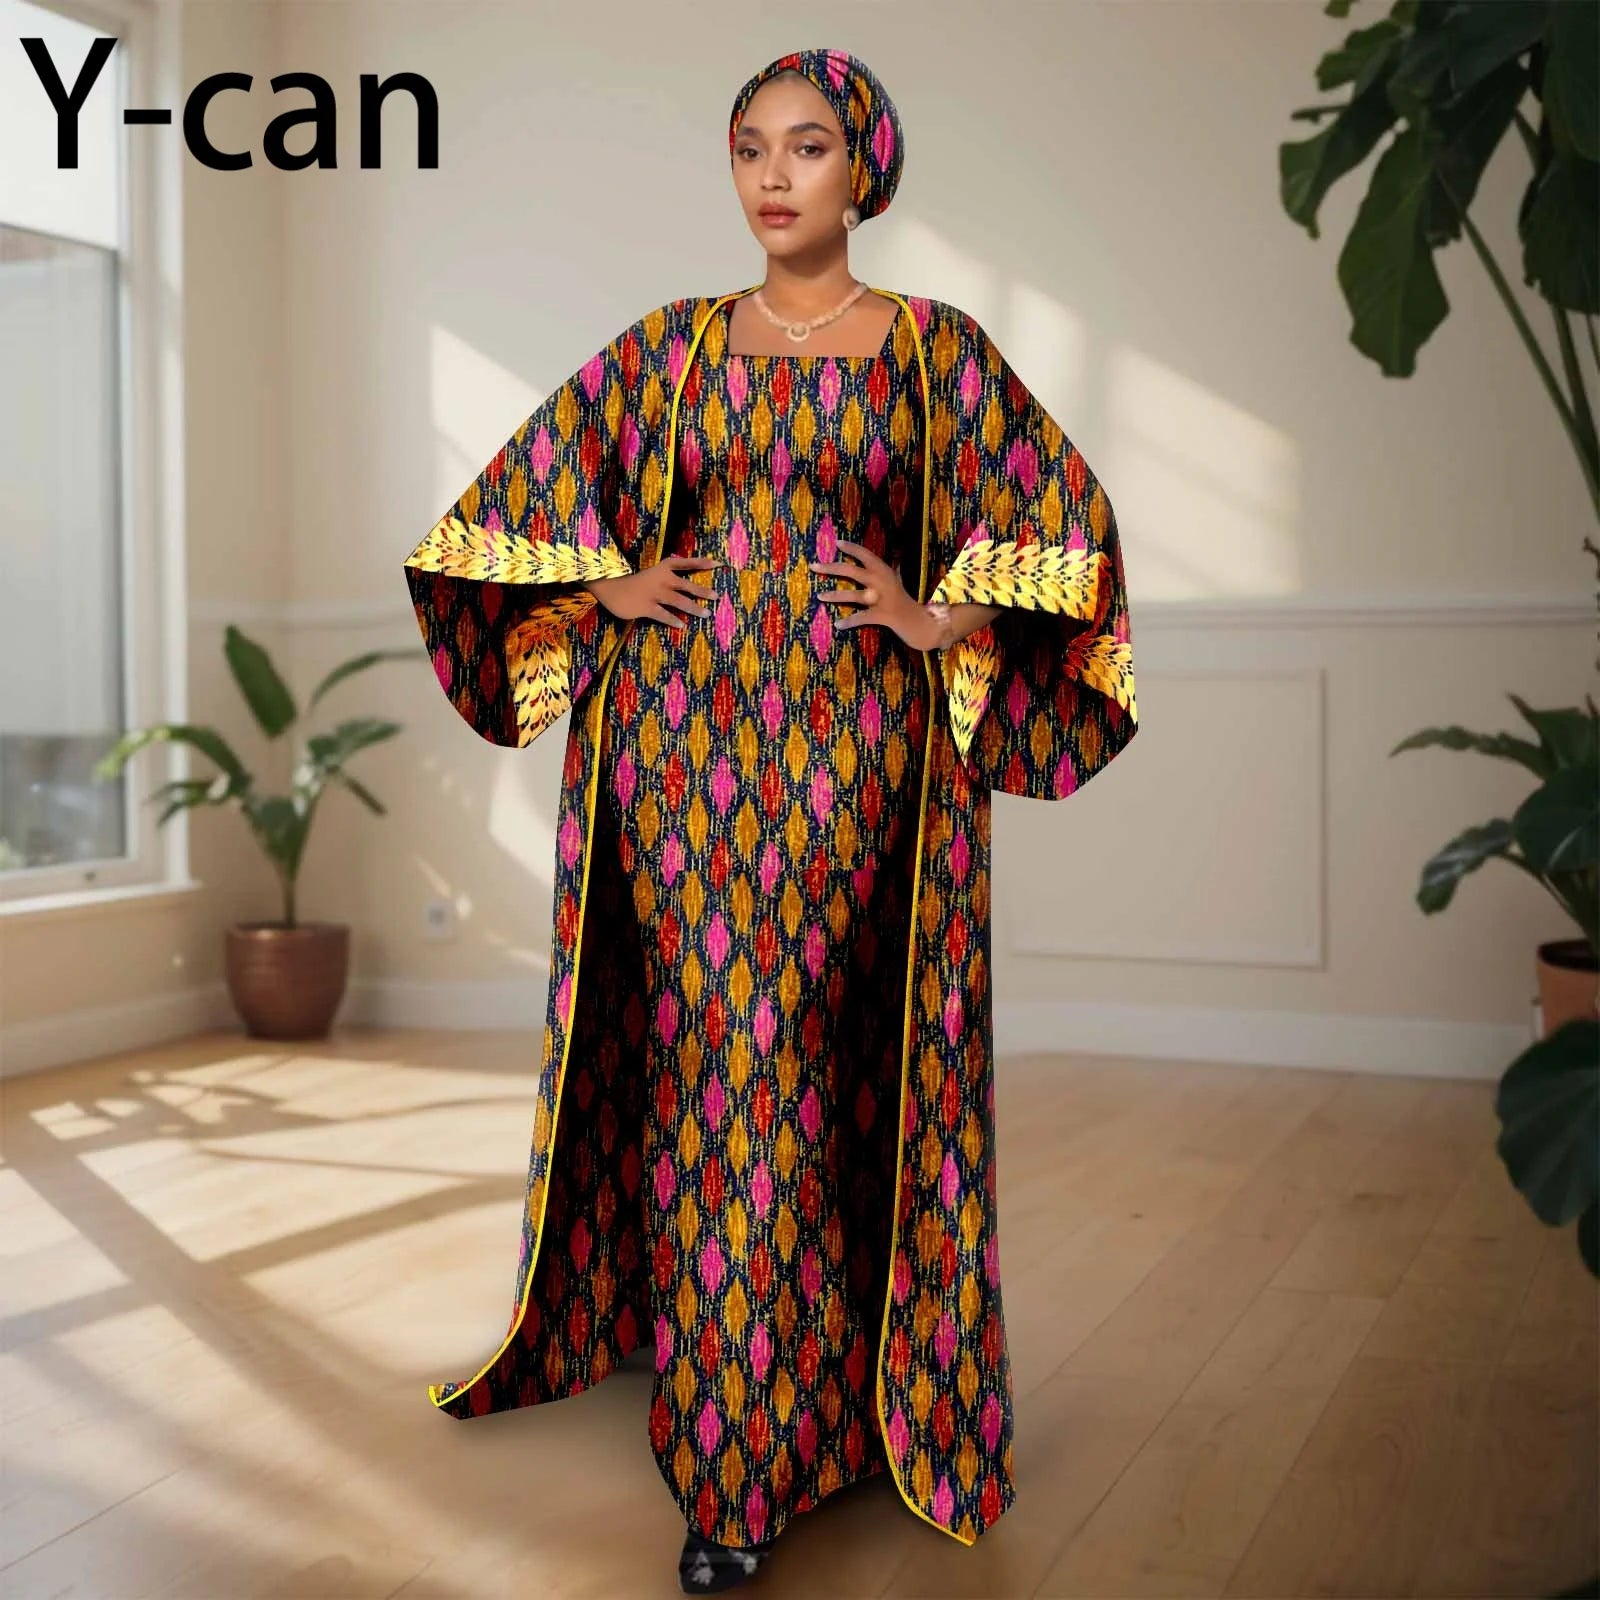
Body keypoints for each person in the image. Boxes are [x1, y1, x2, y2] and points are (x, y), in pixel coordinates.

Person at [403, 47, 1139, 1594]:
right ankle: (734, 1460)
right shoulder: (669, 348)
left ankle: (826, 1398)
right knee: (716, 1077)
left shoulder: (936, 353)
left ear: (864, 169)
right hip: (674, 760)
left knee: (799, 1065)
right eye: (750, 148)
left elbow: (1064, 523)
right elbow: (501, 512)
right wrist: (605, 585)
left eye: (806, 147)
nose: (774, 176)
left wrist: (937, 618)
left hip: (857, 766)